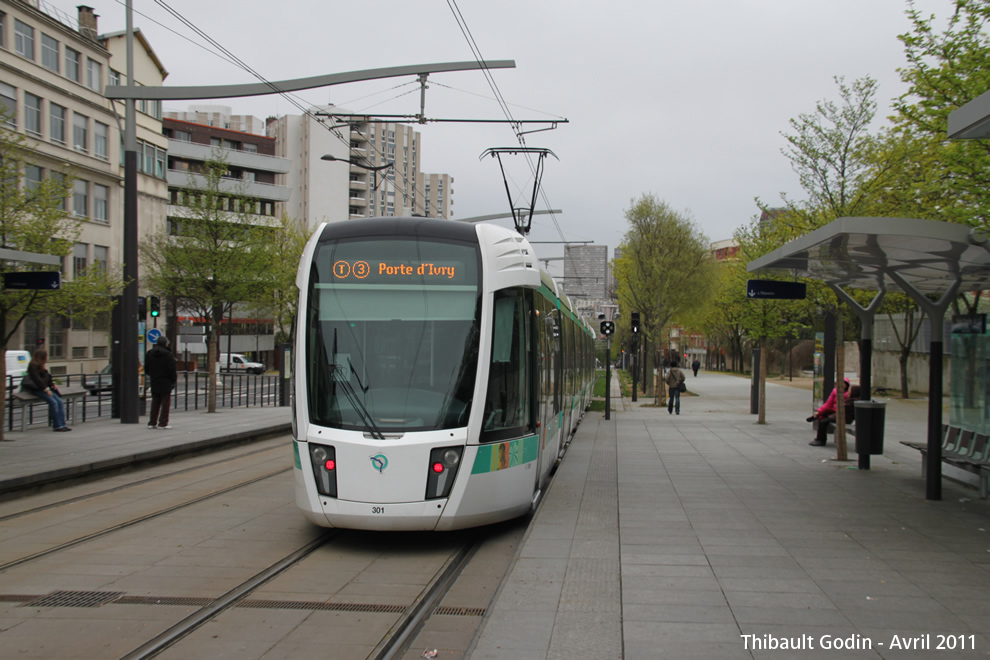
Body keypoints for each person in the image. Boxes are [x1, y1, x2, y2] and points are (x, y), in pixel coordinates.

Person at [22, 349, 70, 432]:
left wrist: (52, 383)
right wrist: (46, 388)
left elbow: (47, 377)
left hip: (45, 388)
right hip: (38, 389)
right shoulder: (33, 365)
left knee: (59, 402)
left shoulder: (41, 365)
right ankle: (57, 425)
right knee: (53, 402)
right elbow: (37, 379)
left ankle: (62, 424)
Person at [145, 335, 177, 429]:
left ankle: (152, 422)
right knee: (165, 403)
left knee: (155, 402)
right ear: (166, 344)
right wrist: (173, 380)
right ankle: (163, 422)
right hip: (166, 381)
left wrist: (153, 375)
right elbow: (172, 369)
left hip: (154, 380)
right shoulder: (168, 354)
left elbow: (146, 368)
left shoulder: (150, 353)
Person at [807, 378, 851, 446]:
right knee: (822, 416)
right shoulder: (835, 391)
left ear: (847, 385)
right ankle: (820, 439)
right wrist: (819, 410)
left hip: (840, 414)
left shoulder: (848, 394)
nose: (841, 385)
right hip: (833, 412)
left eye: (844, 384)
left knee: (823, 417)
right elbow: (828, 403)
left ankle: (820, 439)